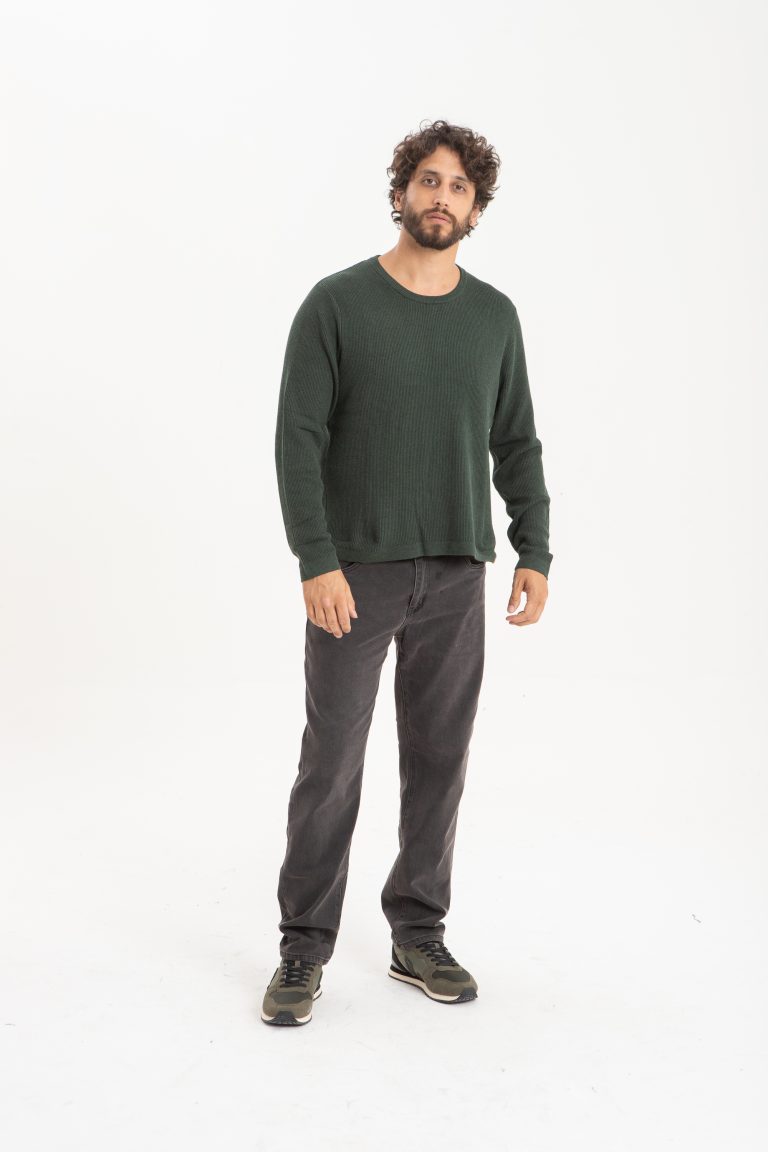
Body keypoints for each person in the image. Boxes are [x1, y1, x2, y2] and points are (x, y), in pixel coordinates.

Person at [262, 118, 553, 1026]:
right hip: (355, 577)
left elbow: (516, 441)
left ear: (477, 208)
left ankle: (417, 933)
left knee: (439, 760)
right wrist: (317, 559)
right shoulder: (336, 305)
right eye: (429, 180)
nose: (442, 196)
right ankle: (303, 947)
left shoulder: (494, 317)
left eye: (460, 186)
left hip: (459, 573)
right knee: (331, 762)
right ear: (399, 193)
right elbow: (297, 439)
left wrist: (535, 548)